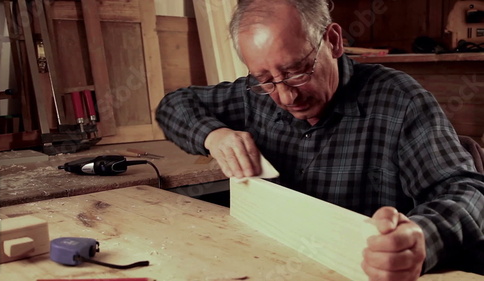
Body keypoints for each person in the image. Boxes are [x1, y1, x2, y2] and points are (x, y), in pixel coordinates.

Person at [156, 0, 484, 279]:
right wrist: (213, 135)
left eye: (297, 71)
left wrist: (421, 237)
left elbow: (467, 191)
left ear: (333, 40)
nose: (285, 95)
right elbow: (173, 105)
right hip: (280, 262)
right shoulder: (252, 96)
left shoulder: (400, 100)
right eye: (265, 80)